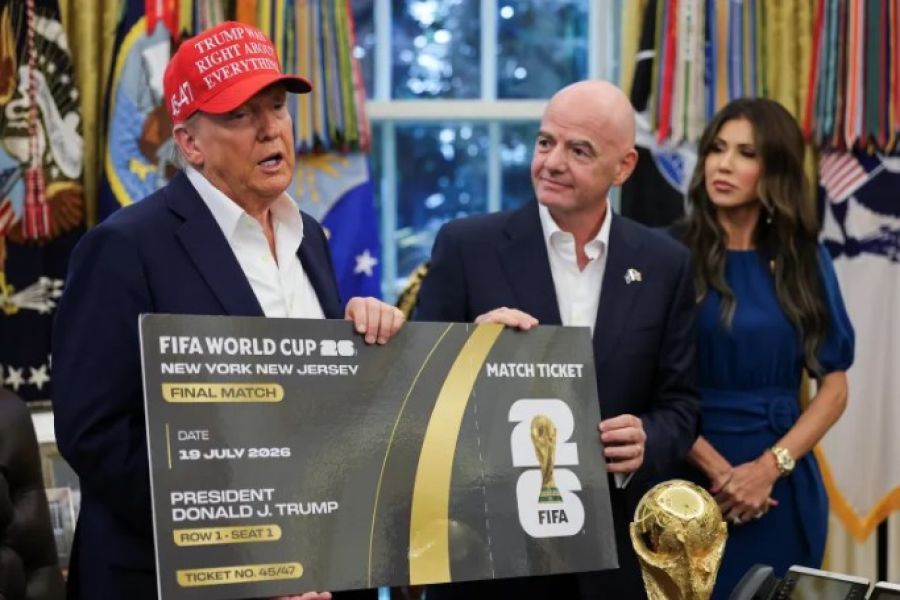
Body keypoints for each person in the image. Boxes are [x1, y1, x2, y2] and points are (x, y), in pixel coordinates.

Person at [51, 22, 403, 600]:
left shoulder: (309, 237)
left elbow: (311, 413)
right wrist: (249, 549)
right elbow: (95, 435)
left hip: (318, 571)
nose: (270, 128)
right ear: (190, 143)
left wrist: (362, 347)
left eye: (278, 106)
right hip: (184, 580)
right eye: (240, 115)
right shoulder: (123, 248)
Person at [415, 79, 701, 600]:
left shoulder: (666, 264)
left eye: (579, 150)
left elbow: (681, 406)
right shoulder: (467, 247)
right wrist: (469, 353)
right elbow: (414, 398)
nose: (551, 162)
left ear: (624, 167)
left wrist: (646, 439)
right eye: (545, 142)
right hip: (490, 559)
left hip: (612, 562)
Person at [676, 97, 854, 599]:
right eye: (717, 149)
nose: (723, 164)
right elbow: (646, 381)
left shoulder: (805, 259)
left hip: (781, 484)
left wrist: (767, 470)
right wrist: (723, 475)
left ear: (774, 169)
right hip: (687, 478)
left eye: (746, 153)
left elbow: (835, 387)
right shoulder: (667, 253)